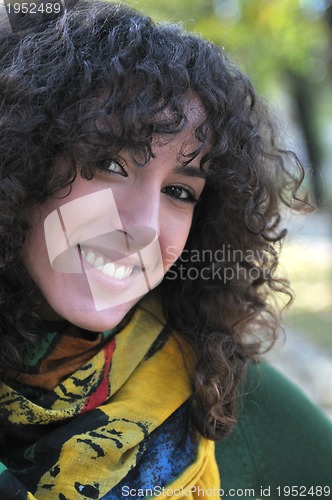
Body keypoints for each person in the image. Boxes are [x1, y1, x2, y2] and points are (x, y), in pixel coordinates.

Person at [0, 0, 331, 498]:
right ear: (24, 162)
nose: (146, 227)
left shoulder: (231, 400)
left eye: (180, 192)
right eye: (110, 162)